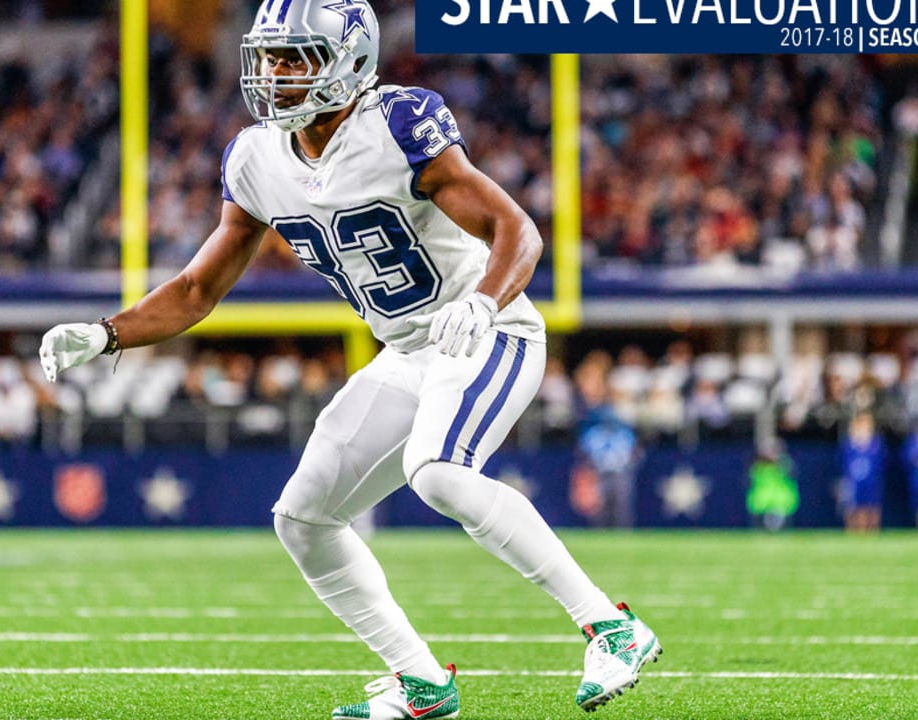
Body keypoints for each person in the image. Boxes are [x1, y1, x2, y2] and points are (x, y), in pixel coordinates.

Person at [39, 1, 659, 716]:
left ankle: (613, 627)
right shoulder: (255, 158)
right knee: (302, 518)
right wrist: (107, 332)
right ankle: (421, 680)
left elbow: (515, 229)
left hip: (487, 330)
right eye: (269, 57)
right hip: (407, 351)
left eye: (294, 57)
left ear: (350, 62)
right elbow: (196, 287)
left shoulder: (398, 126)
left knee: (439, 474)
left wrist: (483, 302)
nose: (274, 73)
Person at [839, 411, 885, 533]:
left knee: (871, 506)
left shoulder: (875, 443)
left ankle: (872, 531)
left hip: (871, 481)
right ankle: (855, 532)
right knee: (852, 507)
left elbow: (880, 462)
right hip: (853, 482)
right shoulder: (849, 444)